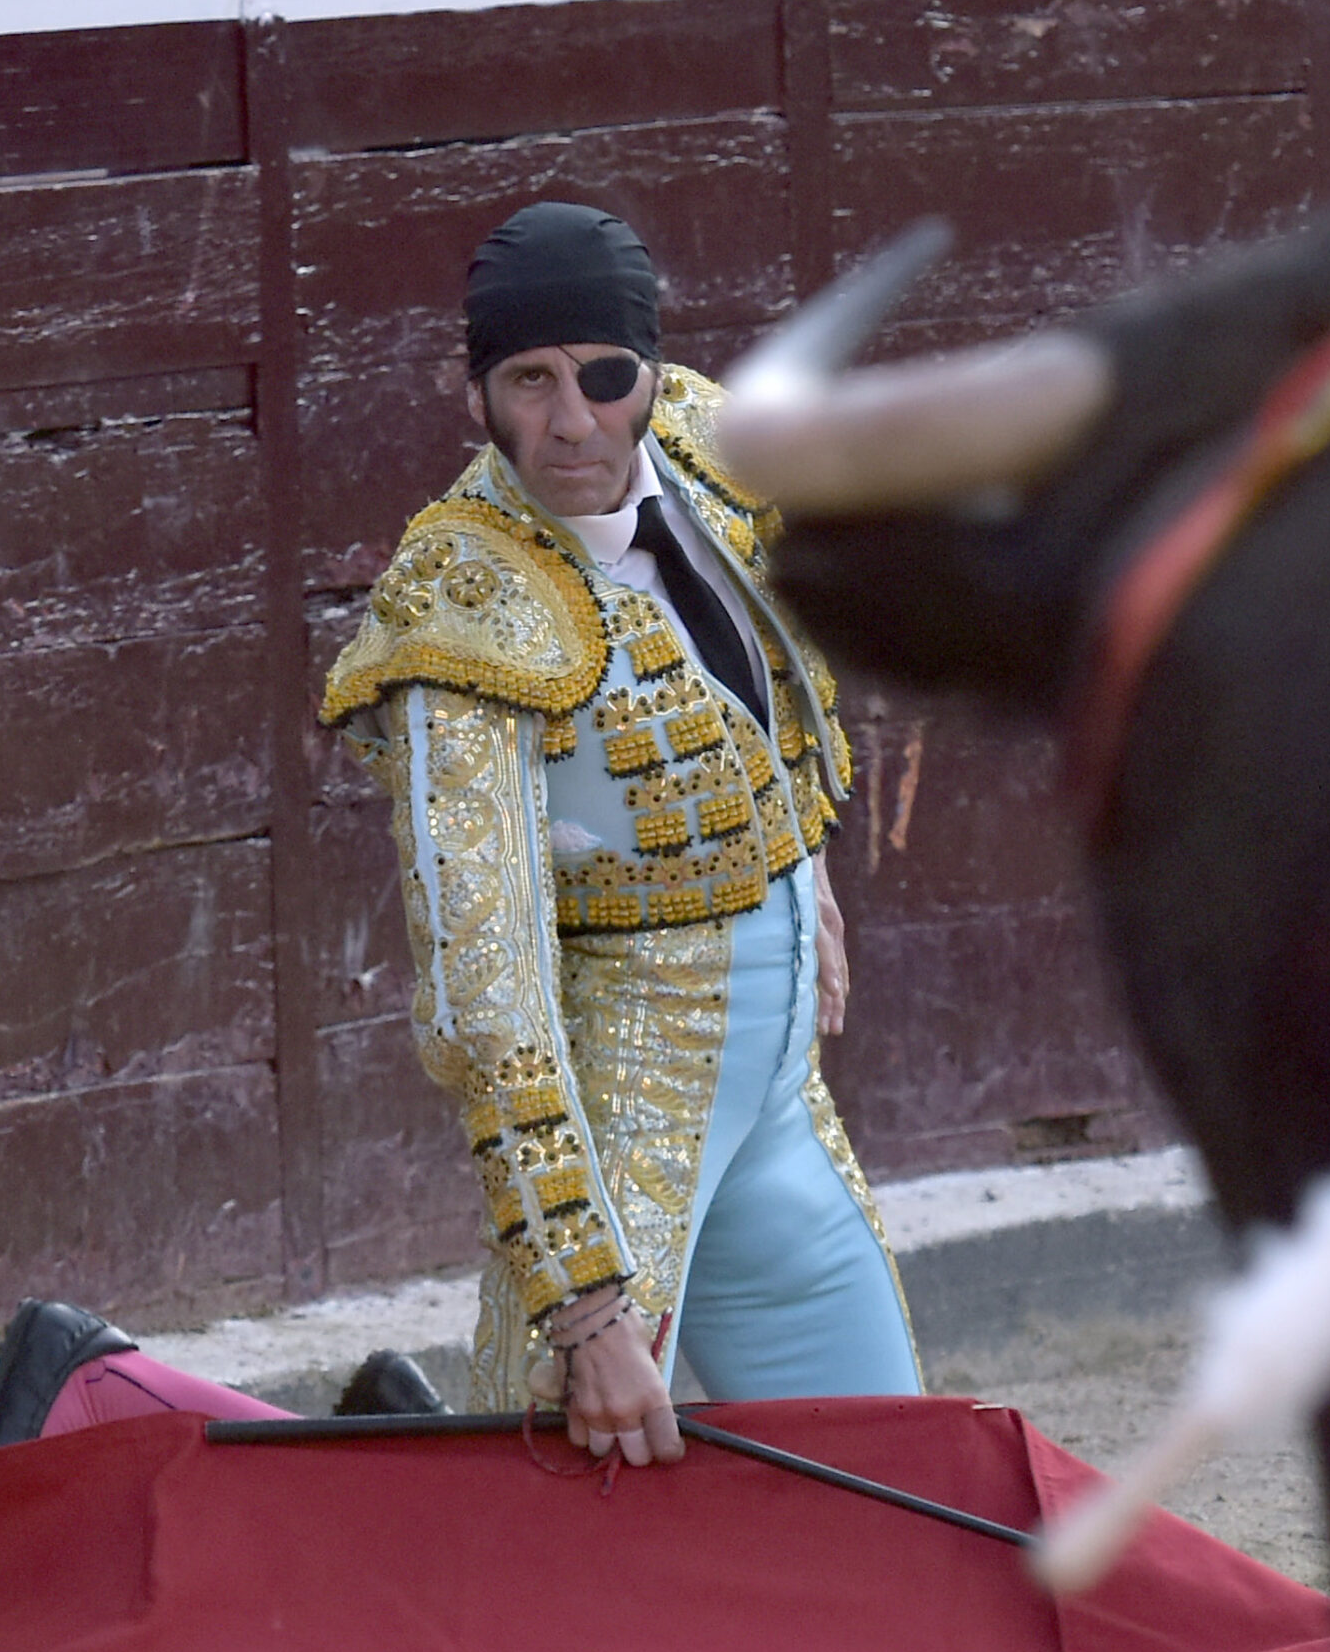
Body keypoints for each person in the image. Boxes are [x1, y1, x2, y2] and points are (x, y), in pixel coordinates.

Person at [308, 201, 921, 1463]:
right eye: (528, 383)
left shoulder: (698, 443)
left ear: (649, 372)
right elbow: (488, 995)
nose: (572, 421)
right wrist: (582, 1304)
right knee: (532, 1549)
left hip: (779, 1095)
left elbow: (772, 683)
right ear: (471, 391)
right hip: (620, 1117)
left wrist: (799, 864)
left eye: (603, 378)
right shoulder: (461, 605)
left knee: (891, 1467)